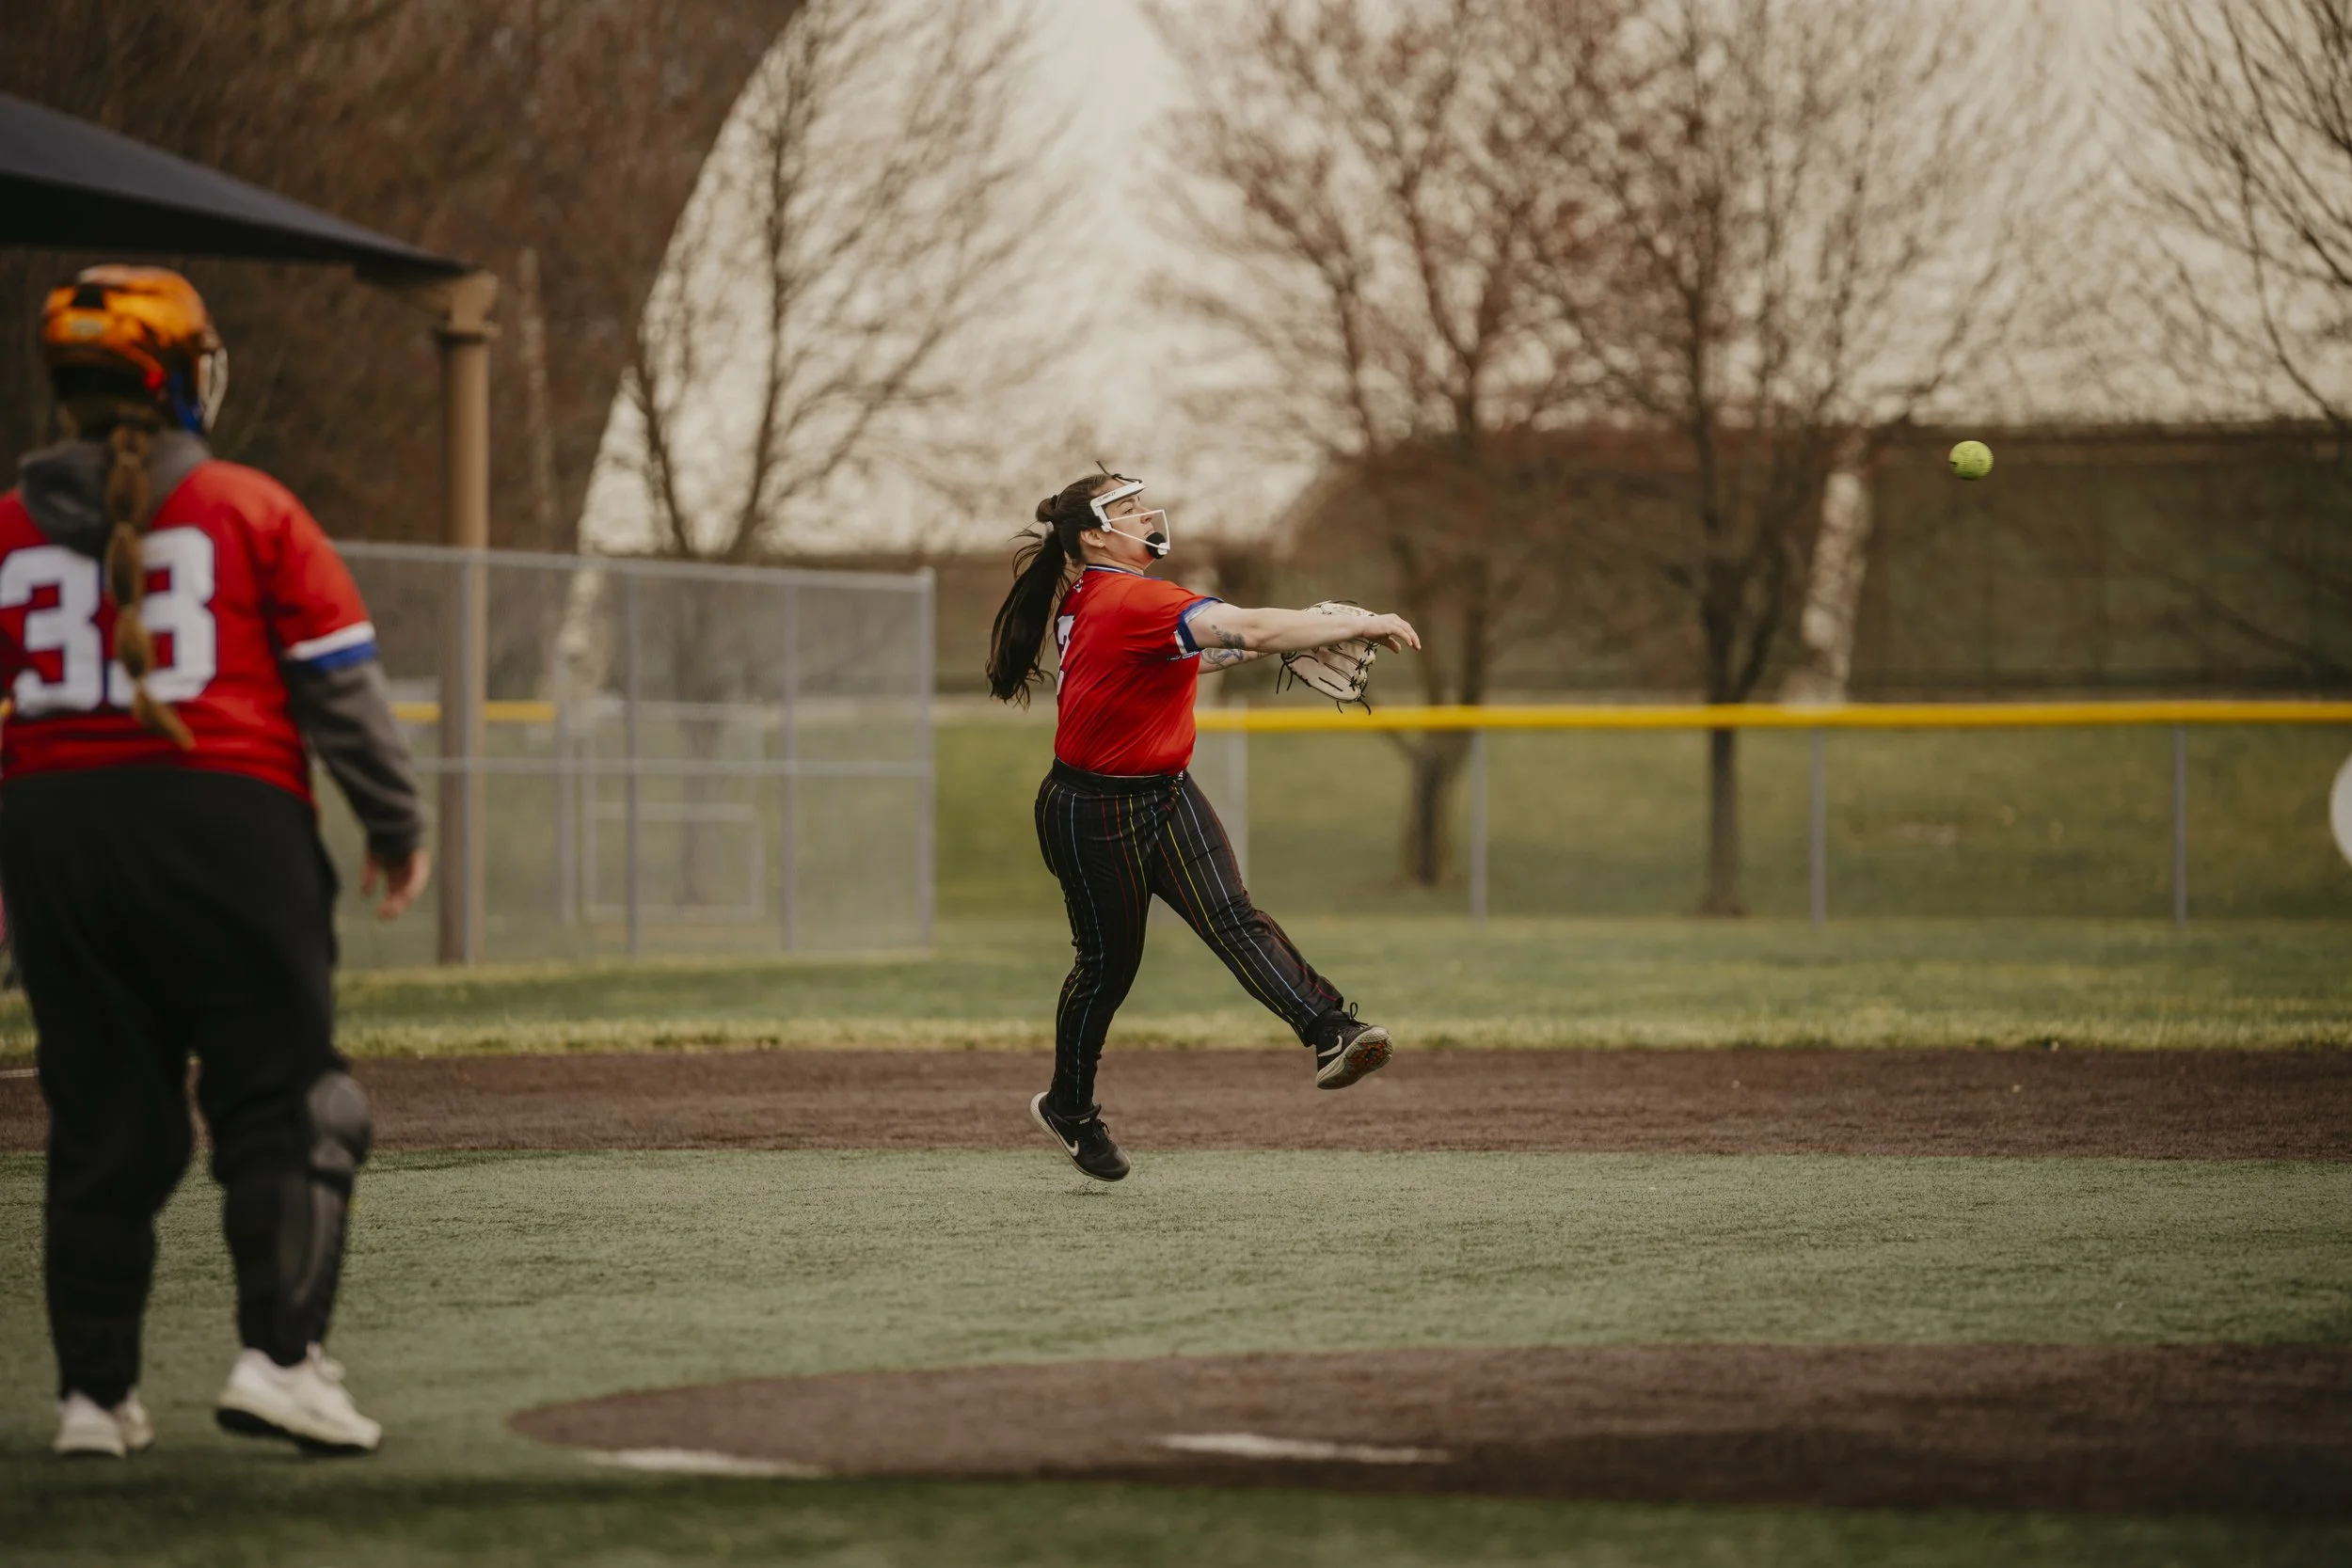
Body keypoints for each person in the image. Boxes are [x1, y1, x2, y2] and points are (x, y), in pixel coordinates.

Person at [1, 266, 428, 1458]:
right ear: (183, 376)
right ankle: (279, 1359)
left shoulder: (6, 526)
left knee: (99, 1124)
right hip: (225, 827)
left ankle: (92, 1399)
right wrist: (396, 826)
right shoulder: (250, 507)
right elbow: (341, 697)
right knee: (290, 1102)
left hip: (53, 838)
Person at [985, 469, 1421, 1181]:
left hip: (1162, 791)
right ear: (1095, 535)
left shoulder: (1105, 599)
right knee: (1107, 969)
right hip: (1090, 812)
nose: (1146, 513)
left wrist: (1292, 633)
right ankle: (1068, 1106)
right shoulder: (1128, 597)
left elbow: (1208, 650)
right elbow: (1242, 624)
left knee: (1232, 915)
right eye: (1126, 508)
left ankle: (1331, 1031)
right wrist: (1357, 622)